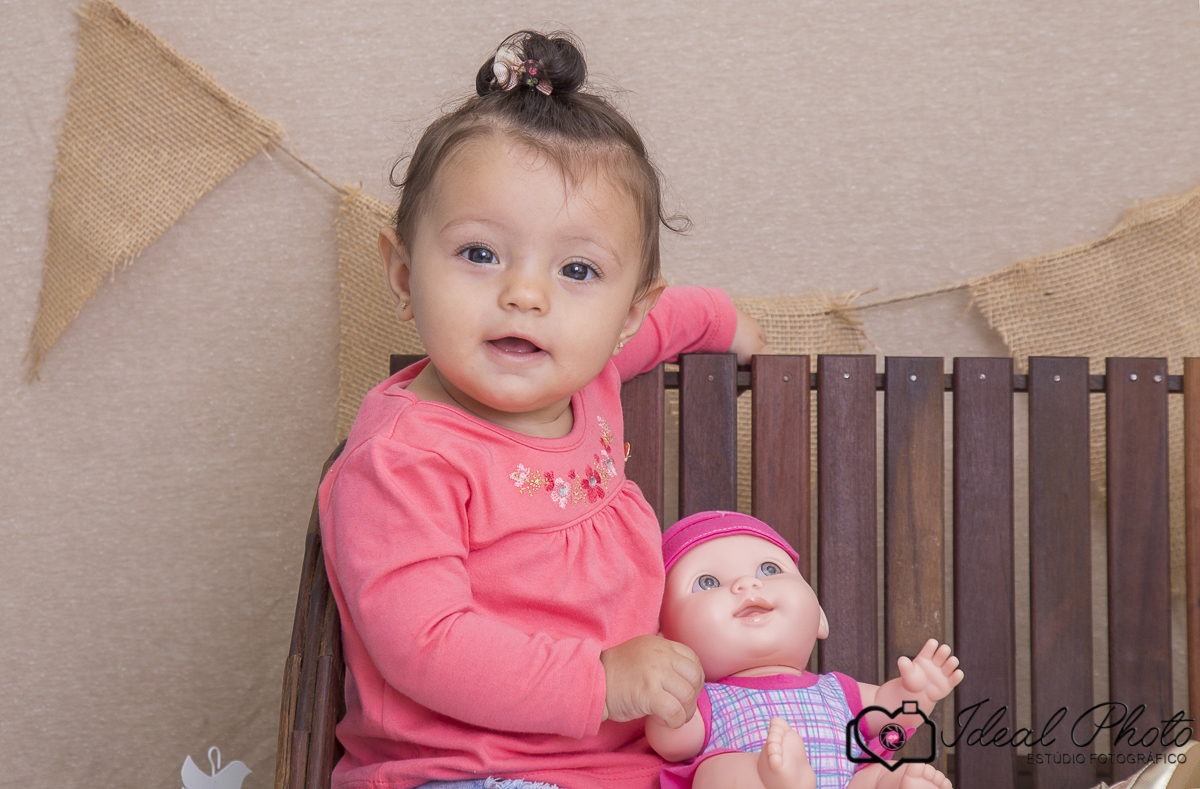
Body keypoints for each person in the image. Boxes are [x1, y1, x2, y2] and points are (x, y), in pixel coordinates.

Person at [318, 30, 770, 789]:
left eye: (578, 269)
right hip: (466, 772)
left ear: (626, 312)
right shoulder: (405, 458)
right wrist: (601, 680)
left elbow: (667, 319)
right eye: (480, 254)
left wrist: (725, 322)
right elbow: (426, 643)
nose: (526, 295)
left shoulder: (588, 377)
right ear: (401, 275)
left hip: (618, 769)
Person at [649, 511, 963, 789]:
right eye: (707, 582)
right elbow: (674, 743)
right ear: (665, 641)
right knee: (715, 772)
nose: (746, 583)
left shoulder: (838, 691)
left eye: (769, 570)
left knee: (878, 772)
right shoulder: (705, 700)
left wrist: (917, 693)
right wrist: (663, 693)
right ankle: (768, 779)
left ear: (819, 617)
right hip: (754, 780)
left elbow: (887, 709)